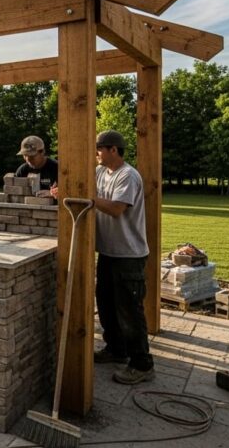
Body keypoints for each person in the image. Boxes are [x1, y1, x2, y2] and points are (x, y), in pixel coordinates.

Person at [91, 129, 154, 384]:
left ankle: (142, 365)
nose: (96, 154)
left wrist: (89, 198)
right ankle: (117, 350)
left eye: (99, 149)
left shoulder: (128, 175)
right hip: (108, 252)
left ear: (113, 150)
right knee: (106, 305)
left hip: (128, 255)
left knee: (129, 311)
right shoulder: (100, 172)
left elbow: (116, 209)